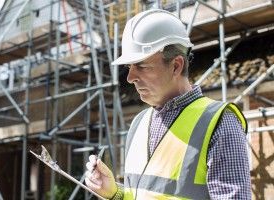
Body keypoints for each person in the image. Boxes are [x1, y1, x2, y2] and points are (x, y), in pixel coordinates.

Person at [85, 9, 251, 199]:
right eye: (129, 67)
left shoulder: (220, 124)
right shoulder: (139, 123)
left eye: (142, 66)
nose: (130, 78)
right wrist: (115, 192)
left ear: (176, 66)